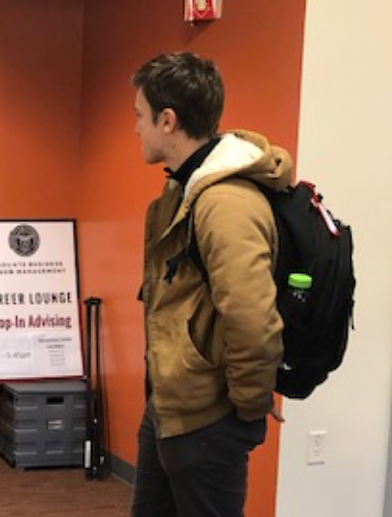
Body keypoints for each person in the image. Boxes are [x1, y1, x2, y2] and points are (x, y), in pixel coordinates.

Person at [129, 52, 289, 517]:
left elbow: (252, 318)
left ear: (167, 120)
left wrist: (249, 403)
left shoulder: (225, 203)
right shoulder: (184, 185)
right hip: (170, 401)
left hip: (208, 417)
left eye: (139, 116)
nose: (135, 127)